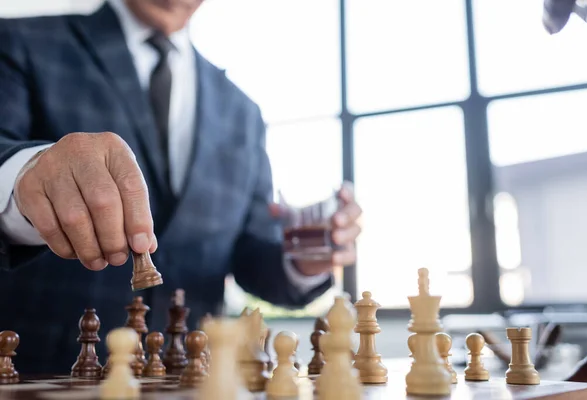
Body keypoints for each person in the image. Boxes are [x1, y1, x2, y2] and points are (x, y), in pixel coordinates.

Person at [0, 0, 362, 373]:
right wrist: (27, 176)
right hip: (39, 367)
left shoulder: (243, 112)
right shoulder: (18, 41)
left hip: (190, 372)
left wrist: (303, 260)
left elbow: (250, 253)